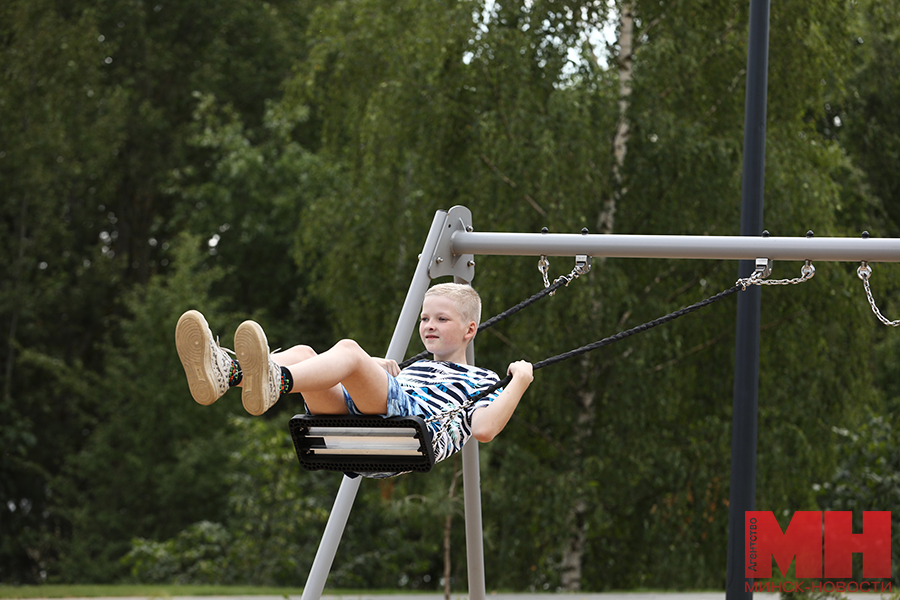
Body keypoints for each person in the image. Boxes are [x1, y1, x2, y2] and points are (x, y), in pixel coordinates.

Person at [174, 283, 533, 465]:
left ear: (470, 330)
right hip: (369, 419)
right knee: (304, 354)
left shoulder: (483, 380)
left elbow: (484, 429)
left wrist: (519, 381)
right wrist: (373, 367)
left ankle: (274, 380)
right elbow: (374, 388)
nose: (429, 326)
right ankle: (229, 373)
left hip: (407, 428)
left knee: (347, 349)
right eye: (425, 318)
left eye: (442, 319)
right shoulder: (418, 365)